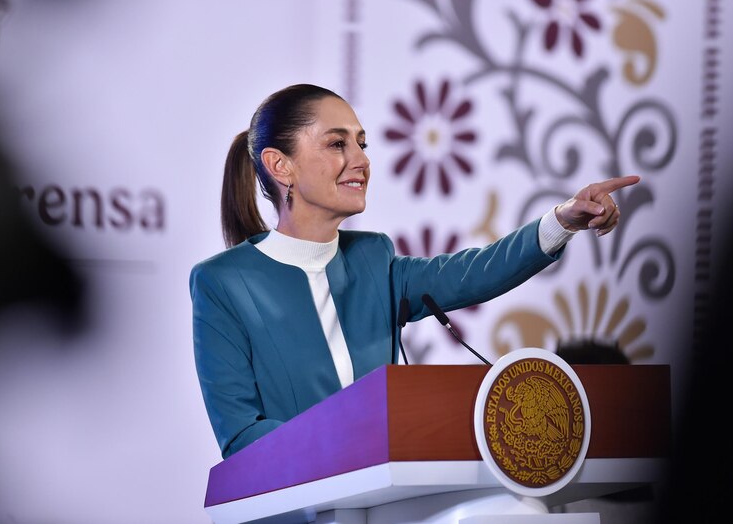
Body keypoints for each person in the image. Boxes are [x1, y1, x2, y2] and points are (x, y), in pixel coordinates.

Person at [190, 83, 640, 459]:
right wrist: (352, 447)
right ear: (279, 165)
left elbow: (476, 272)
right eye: (336, 143)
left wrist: (562, 221)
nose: (362, 160)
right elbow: (241, 435)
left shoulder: (373, 259)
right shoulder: (222, 283)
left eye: (361, 144)